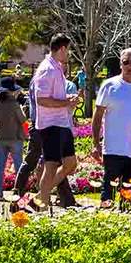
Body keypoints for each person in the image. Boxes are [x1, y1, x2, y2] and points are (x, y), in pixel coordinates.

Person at [92, 48, 131, 208]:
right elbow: (97, 116)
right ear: (120, 64)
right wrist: (95, 143)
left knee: (128, 195)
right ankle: (105, 225)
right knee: (108, 194)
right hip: (113, 149)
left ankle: (124, 225)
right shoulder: (109, 86)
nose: (130, 66)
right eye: (126, 62)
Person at [30, 37, 80, 212]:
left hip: (62, 123)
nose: (70, 54)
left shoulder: (57, 68)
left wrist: (67, 101)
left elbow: (54, 98)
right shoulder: (47, 69)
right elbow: (41, 99)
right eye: (69, 50)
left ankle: (39, 197)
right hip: (51, 125)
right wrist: (65, 103)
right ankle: (42, 207)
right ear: (62, 49)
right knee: (51, 166)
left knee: (70, 164)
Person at [0, 77, 26, 200]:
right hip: (14, 137)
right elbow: (22, 119)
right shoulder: (14, 104)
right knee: (18, 166)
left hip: (0, 138)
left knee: (0, 166)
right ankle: (19, 193)